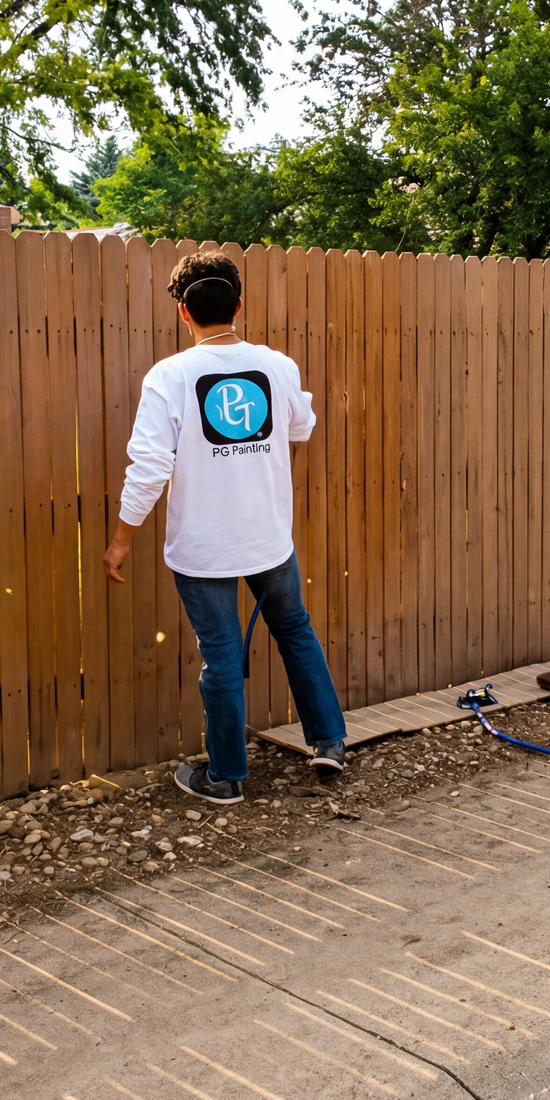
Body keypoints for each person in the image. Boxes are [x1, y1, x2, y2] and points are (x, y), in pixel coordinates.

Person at [104, 251, 348, 803]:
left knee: (220, 653)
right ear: (238, 305)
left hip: (203, 547)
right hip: (267, 539)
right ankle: (329, 743)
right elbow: (301, 428)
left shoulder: (169, 375)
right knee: (296, 632)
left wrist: (122, 540)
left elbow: (148, 468)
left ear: (183, 314)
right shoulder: (278, 366)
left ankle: (227, 778)